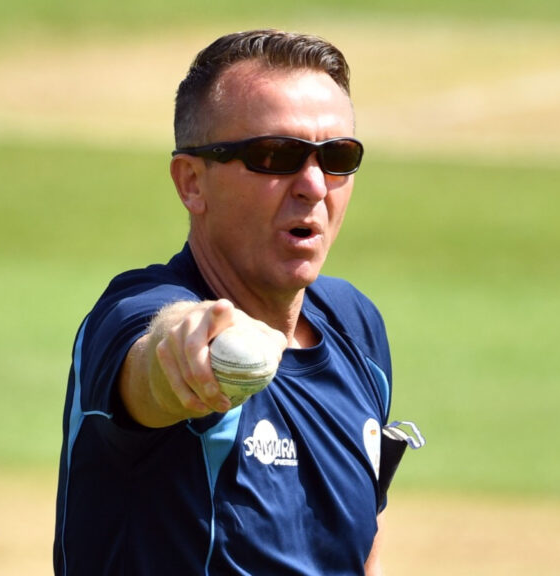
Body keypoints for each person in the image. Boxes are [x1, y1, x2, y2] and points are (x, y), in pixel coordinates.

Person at [55, 29, 421, 575]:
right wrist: (191, 347)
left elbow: (363, 540)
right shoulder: (131, 310)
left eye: (337, 156)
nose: (314, 185)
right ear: (191, 183)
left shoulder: (355, 327)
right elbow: (156, 357)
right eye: (276, 156)